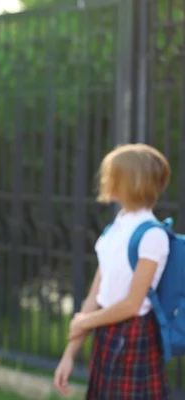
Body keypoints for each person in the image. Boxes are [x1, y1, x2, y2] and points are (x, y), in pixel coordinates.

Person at [54, 143, 171, 399]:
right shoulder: (116, 227)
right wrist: (69, 355)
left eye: (112, 174)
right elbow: (96, 294)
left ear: (129, 181)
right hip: (107, 332)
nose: (106, 180)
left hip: (133, 336)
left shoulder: (152, 235)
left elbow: (131, 304)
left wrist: (85, 322)